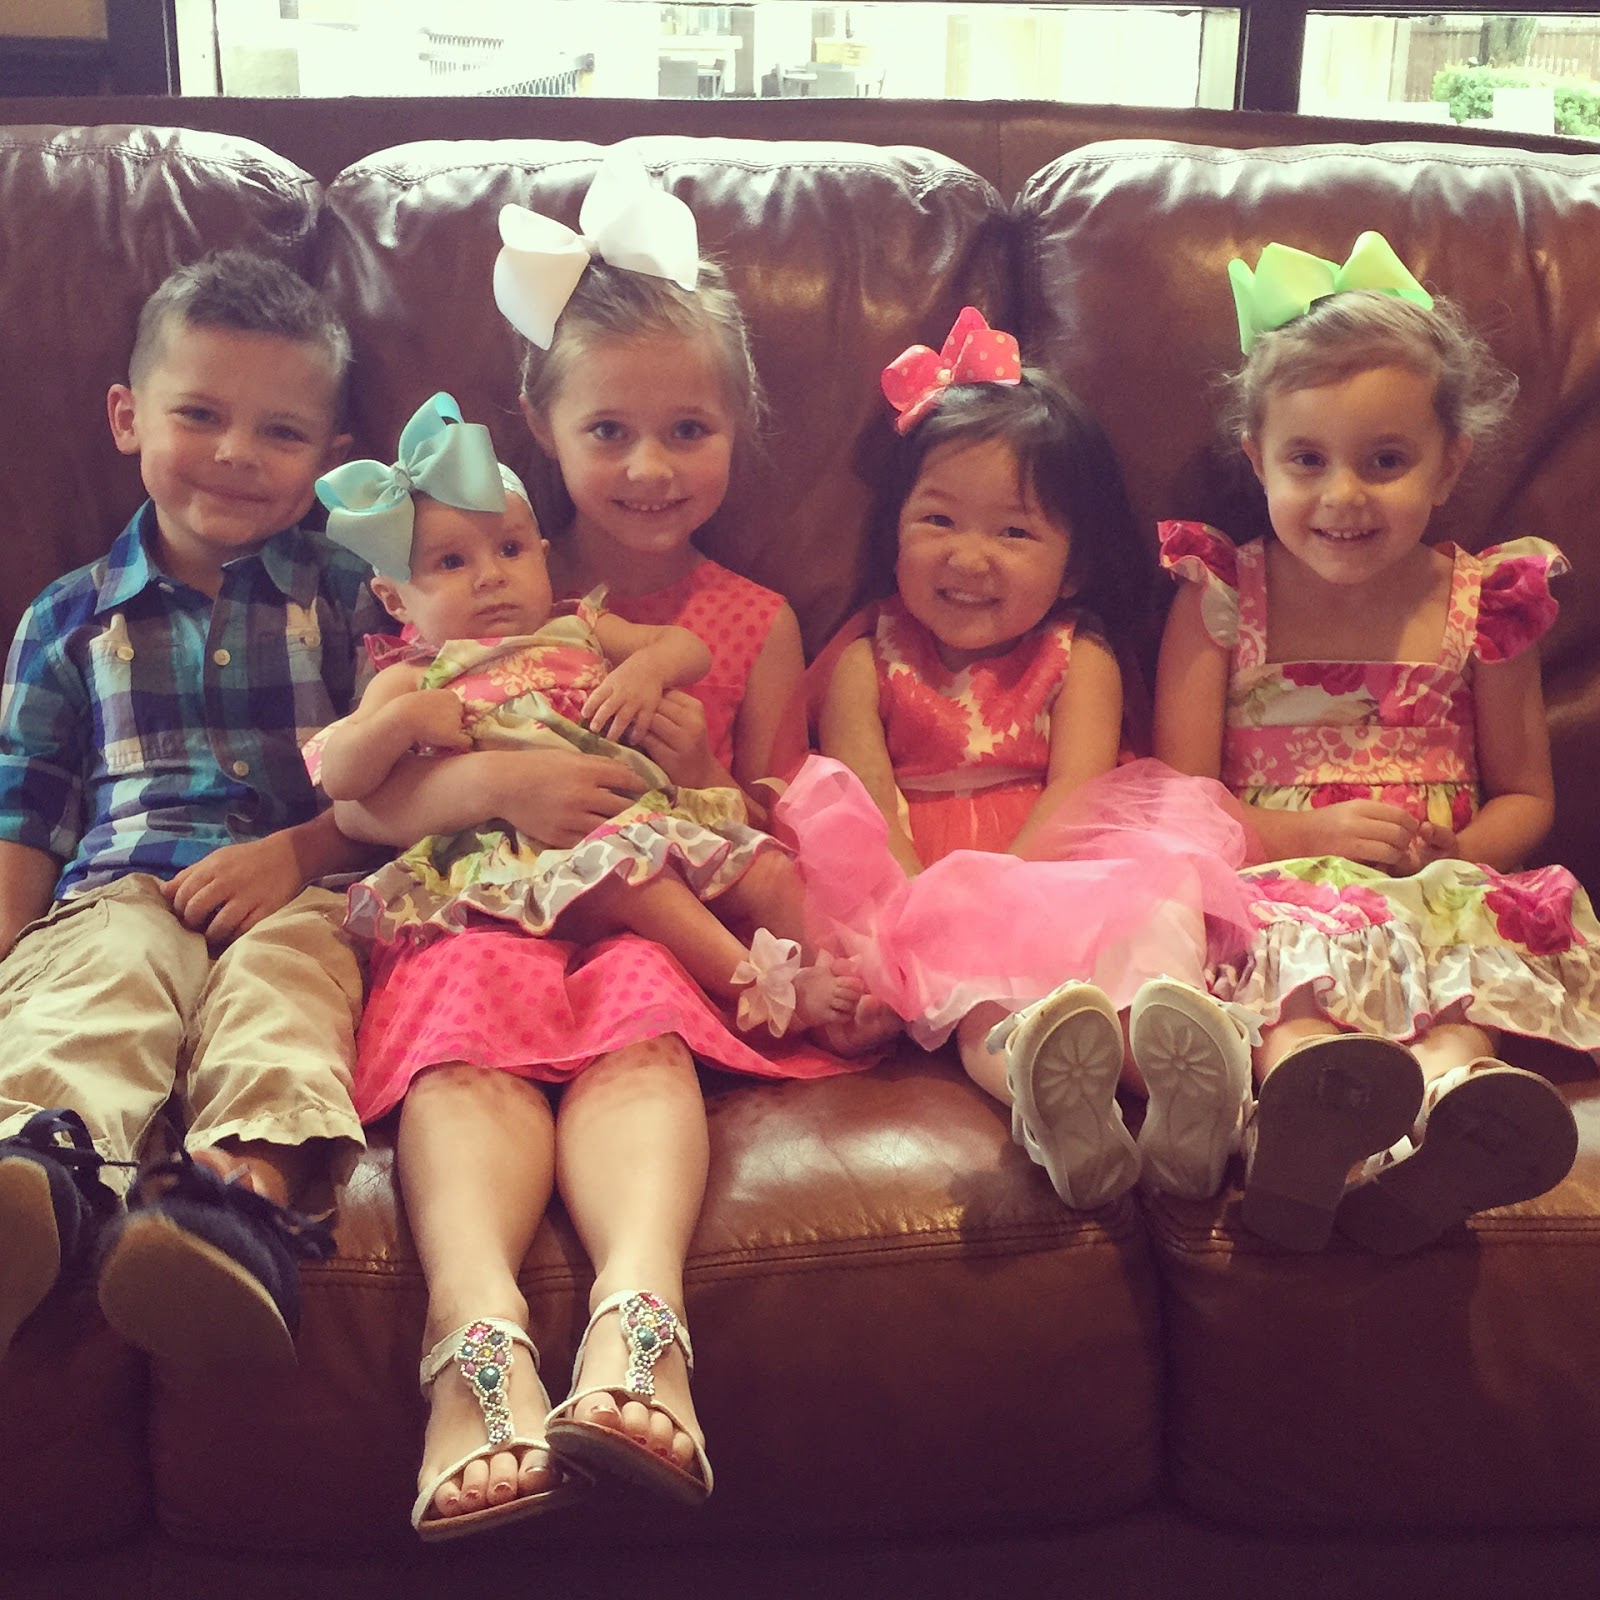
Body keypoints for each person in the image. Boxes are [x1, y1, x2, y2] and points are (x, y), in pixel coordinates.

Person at [324, 150, 859, 1540]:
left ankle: (639, 1320)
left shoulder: (753, 619)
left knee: (643, 1026)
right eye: (608, 429)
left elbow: (772, 809)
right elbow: (371, 788)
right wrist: (498, 778)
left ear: (739, 426)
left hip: (652, 912)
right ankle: (474, 1336)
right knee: (462, 1036)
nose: (649, 467)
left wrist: (706, 772)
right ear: (540, 428)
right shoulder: (471, 573)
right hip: (481, 913)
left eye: (689, 429)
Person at [1154, 230, 1597, 1254]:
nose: (1344, 496)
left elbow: (1526, 795)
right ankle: (1297, 1128)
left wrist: (1458, 853)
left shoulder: (1485, 602)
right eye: (1306, 460)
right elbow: (1177, 797)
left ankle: (1459, 1114)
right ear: (1255, 458)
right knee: (1293, 1005)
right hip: (1273, 883)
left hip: (1429, 884)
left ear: (1450, 463)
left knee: (1453, 999)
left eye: (1385, 461)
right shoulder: (1222, 596)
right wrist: (1300, 835)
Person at [778, 305, 1261, 1211]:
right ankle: (1049, 1105)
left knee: (1160, 902)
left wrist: (1012, 891)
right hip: (919, 886)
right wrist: (934, 913)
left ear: (1073, 567)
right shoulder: (864, 659)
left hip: (1061, 856)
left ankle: (1188, 1088)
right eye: (938, 519)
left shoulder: (1081, 654)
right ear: (894, 534)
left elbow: (1079, 787)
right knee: (987, 1006)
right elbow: (865, 799)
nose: (970, 557)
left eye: (1014, 532)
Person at [0, 249, 385, 1376]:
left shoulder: (353, 595)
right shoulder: (66, 619)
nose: (235, 453)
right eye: (200, 414)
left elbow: (407, 780)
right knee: (98, 986)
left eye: (280, 431)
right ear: (128, 416)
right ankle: (38, 1174)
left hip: (309, 888)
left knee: (286, 997)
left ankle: (232, 1209)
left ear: (330, 460)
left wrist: (298, 853)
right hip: (124, 888)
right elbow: (25, 809)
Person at [312, 391, 861, 1039]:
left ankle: (847, 984)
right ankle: (761, 991)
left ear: (542, 554)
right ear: (394, 601)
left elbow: (688, 649)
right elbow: (343, 779)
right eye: (451, 562)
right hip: (535, 861)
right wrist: (399, 724)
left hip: (648, 822)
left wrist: (646, 670)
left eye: (510, 549)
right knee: (631, 881)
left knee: (767, 866)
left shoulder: (579, 626)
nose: (490, 576)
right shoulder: (411, 679)